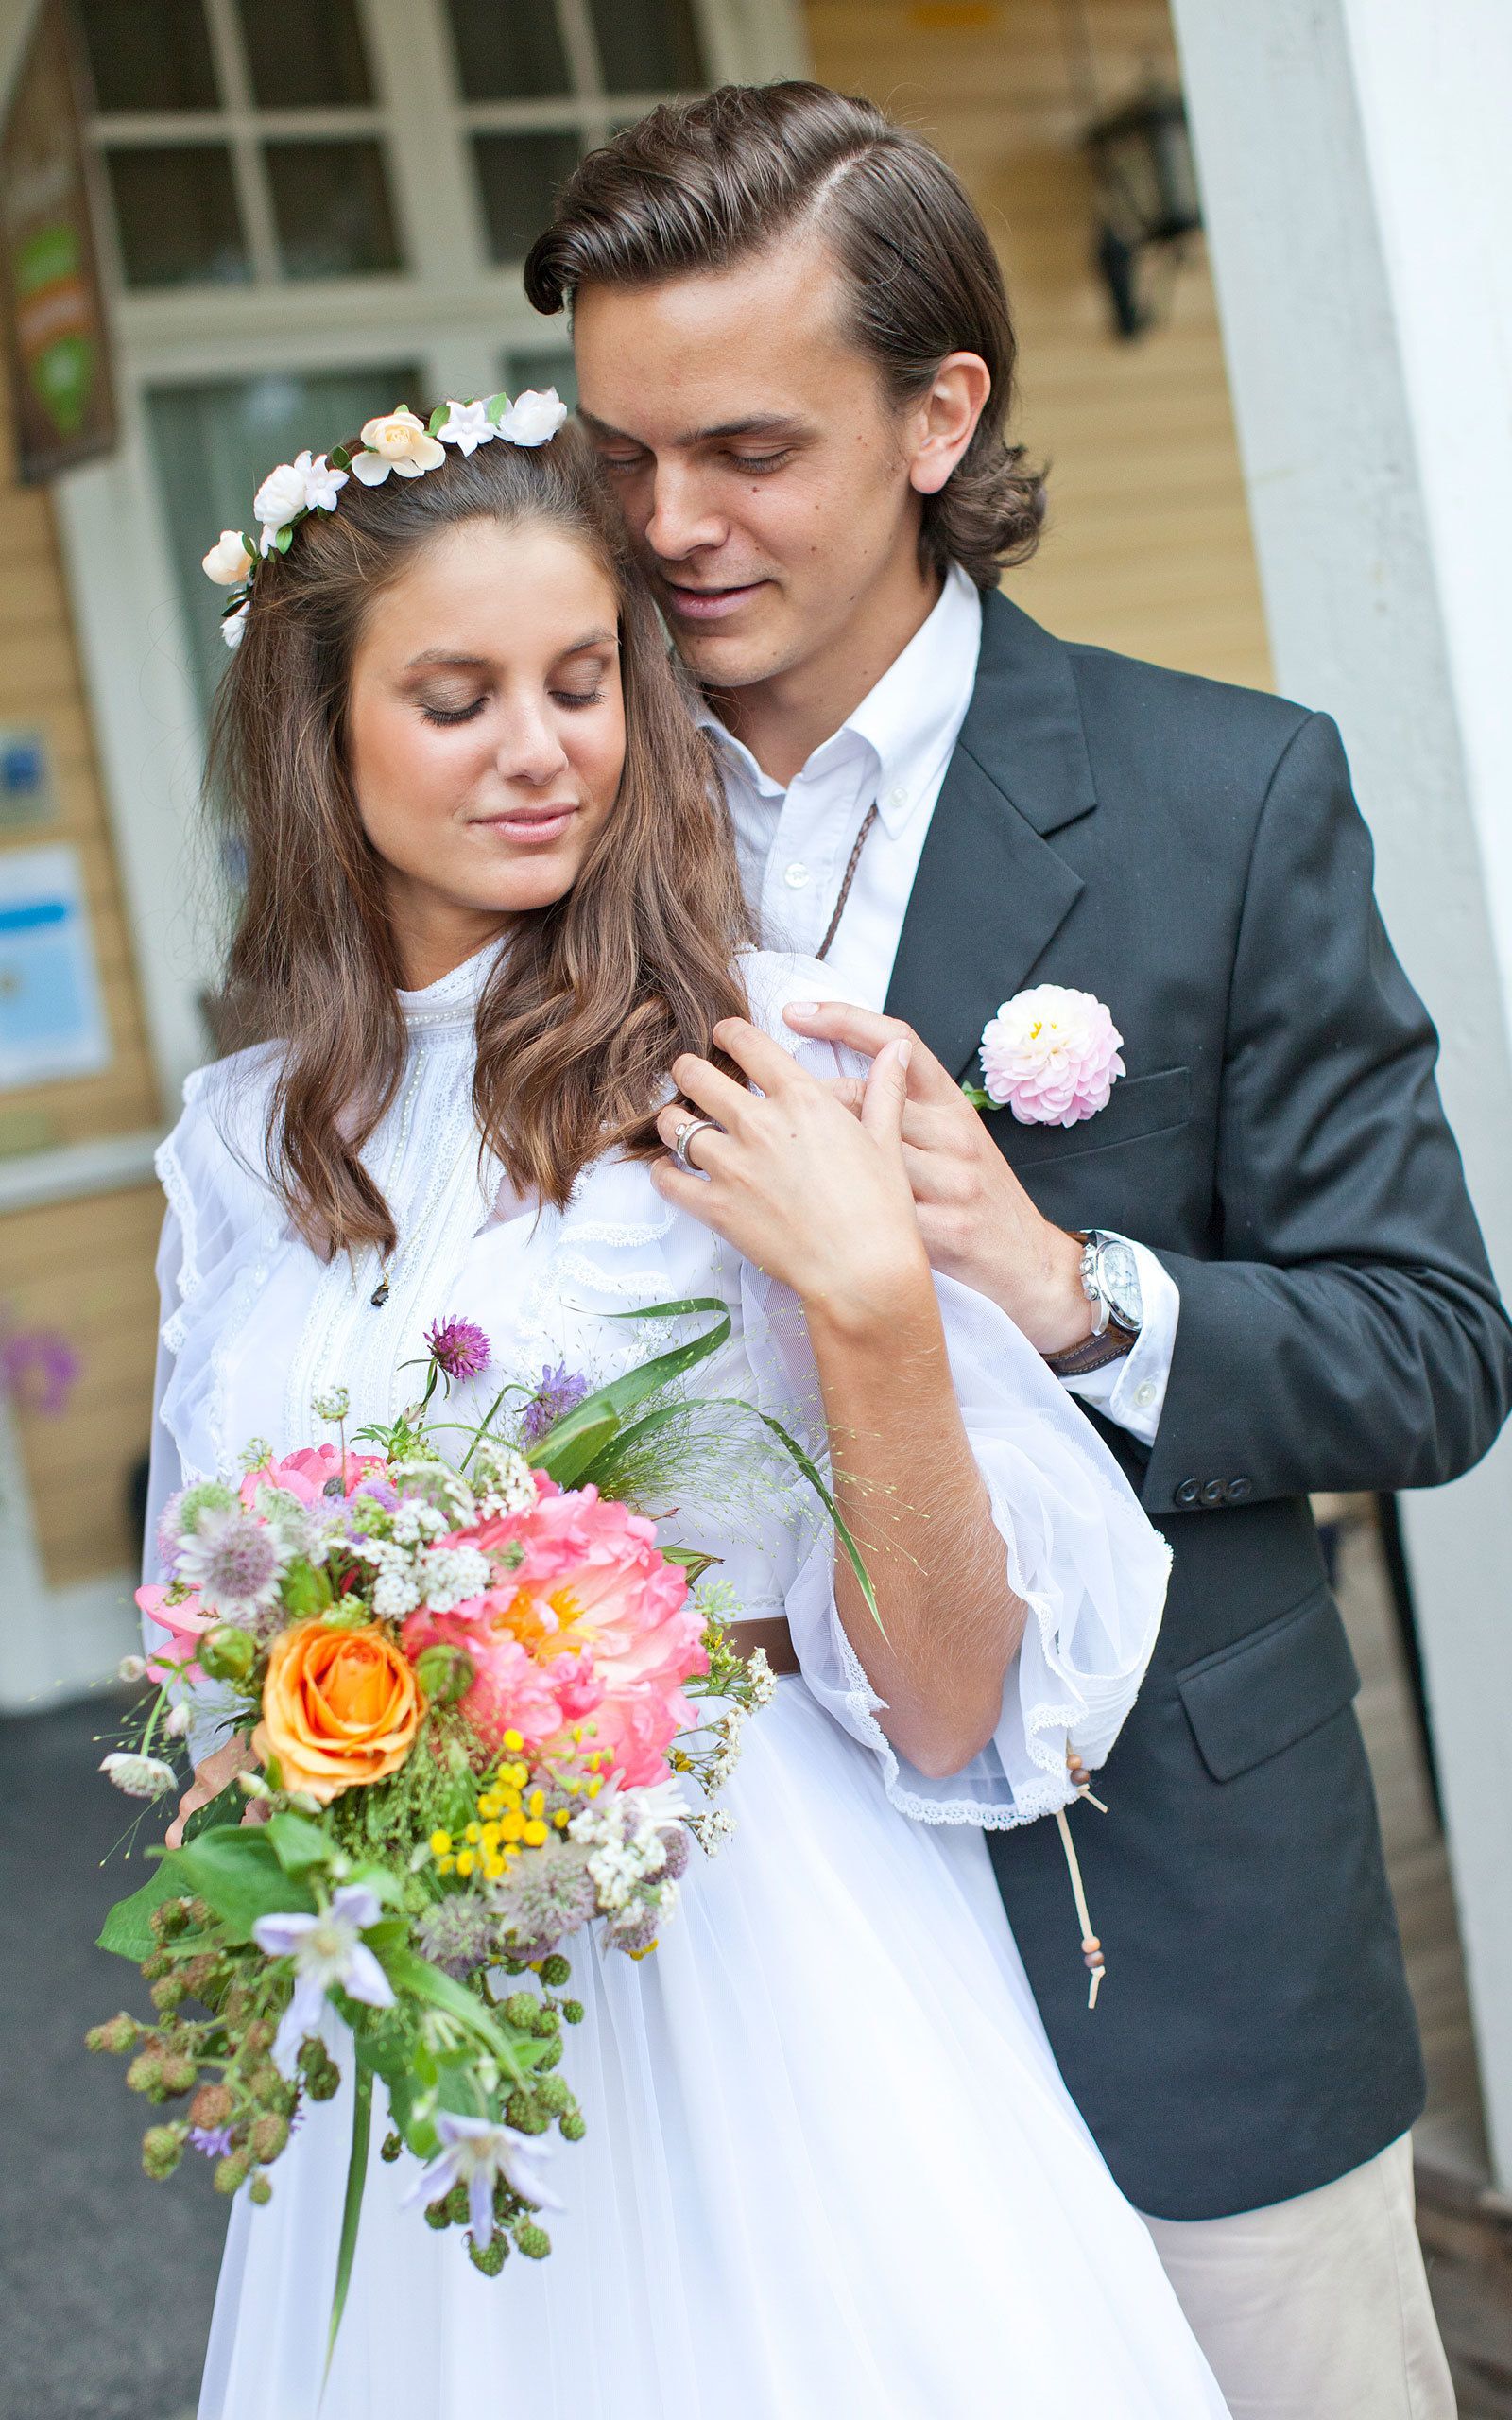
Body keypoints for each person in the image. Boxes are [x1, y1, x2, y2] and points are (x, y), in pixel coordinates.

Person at [523, 79, 1512, 2419]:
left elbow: (1432, 1349)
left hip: (1159, 1933)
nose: (666, 527)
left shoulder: (1224, 795)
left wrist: (1069, 1286)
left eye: (746, 448)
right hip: (724, 1977)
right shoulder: (531, 816)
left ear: (938, 408)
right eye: (616, 456)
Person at [154, 408, 1227, 2414]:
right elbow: (197, 1639)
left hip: (758, 1960)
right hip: (409, 1997)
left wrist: (873, 1301)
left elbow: (944, 1698)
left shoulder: (760, 1055)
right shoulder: (238, 1142)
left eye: (580, 683)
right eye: (454, 696)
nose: (537, 747)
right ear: (323, 734)